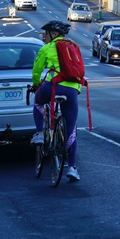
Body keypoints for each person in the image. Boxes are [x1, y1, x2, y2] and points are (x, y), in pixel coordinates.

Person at [31, 20, 82, 182]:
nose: (44, 37)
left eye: (46, 34)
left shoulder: (46, 48)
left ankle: (40, 134)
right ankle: (72, 168)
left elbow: (36, 71)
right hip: (72, 89)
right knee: (71, 129)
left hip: (51, 87)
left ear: (53, 34)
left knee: (38, 101)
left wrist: (35, 85)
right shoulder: (73, 47)